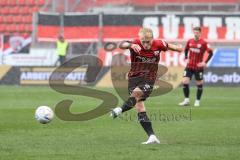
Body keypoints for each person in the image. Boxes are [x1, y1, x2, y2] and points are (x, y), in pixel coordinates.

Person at [110, 28, 183, 144]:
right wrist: (130, 45)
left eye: (148, 42)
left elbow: (171, 47)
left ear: (152, 39)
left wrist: (179, 48)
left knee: (136, 95)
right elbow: (121, 44)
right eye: (143, 42)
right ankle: (152, 136)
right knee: (139, 108)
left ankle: (119, 110)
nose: (145, 44)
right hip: (134, 78)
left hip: (149, 78)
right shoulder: (135, 43)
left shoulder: (159, 44)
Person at [178, 27, 213, 107]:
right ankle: (186, 100)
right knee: (185, 81)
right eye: (195, 32)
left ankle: (197, 101)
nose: (196, 34)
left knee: (199, 83)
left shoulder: (204, 43)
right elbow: (186, 49)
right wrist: (186, 57)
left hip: (198, 67)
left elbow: (211, 53)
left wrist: (204, 62)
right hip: (189, 66)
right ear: (193, 32)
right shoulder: (190, 41)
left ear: (200, 33)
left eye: (197, 33)